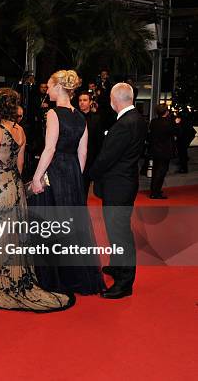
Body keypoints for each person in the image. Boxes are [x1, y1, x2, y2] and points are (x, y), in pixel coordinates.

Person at [0, 88, 74, 312]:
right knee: (14, 238)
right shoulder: (20, 131)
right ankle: (16, 279)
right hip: (16, 188)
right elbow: (19, 167)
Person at [31, 70, 104, 295]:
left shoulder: (54, 114)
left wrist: (36, 176)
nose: (48, 89)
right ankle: (77, 277)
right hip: (72, 172)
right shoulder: (80, 117)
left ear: (59, 88)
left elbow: (50, 148)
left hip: (55, 170)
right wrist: (75, 177)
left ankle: (55, 279)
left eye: (50, 86)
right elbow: (83, 153)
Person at [90, 83, 147, 299]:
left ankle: (125, 283)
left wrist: (89, 175)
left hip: (118, 186)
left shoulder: (125, 123)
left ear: (115, 99)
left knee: (120, 234)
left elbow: (107, 157)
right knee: (116, 231)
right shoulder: (138, 119)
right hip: (124, 183)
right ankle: (116, 266)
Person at [77, 91, 104, 198]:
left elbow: (99, 142)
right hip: (74, 159)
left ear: (90, 102)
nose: (82, 103)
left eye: (85, 100)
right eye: (80, 100)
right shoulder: (74, 117)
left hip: (89, 160)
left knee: (83, 189)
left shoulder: (96, 119)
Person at [148, 104, 177, 199]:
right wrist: (176, 123)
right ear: (166, 112)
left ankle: (154, 190)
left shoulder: (153, 122)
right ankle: (155, 193)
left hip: (155, 150)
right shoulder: (168, 123)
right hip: (164, 151)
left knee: (156, 170)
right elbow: (177, 132)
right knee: (161, 172)